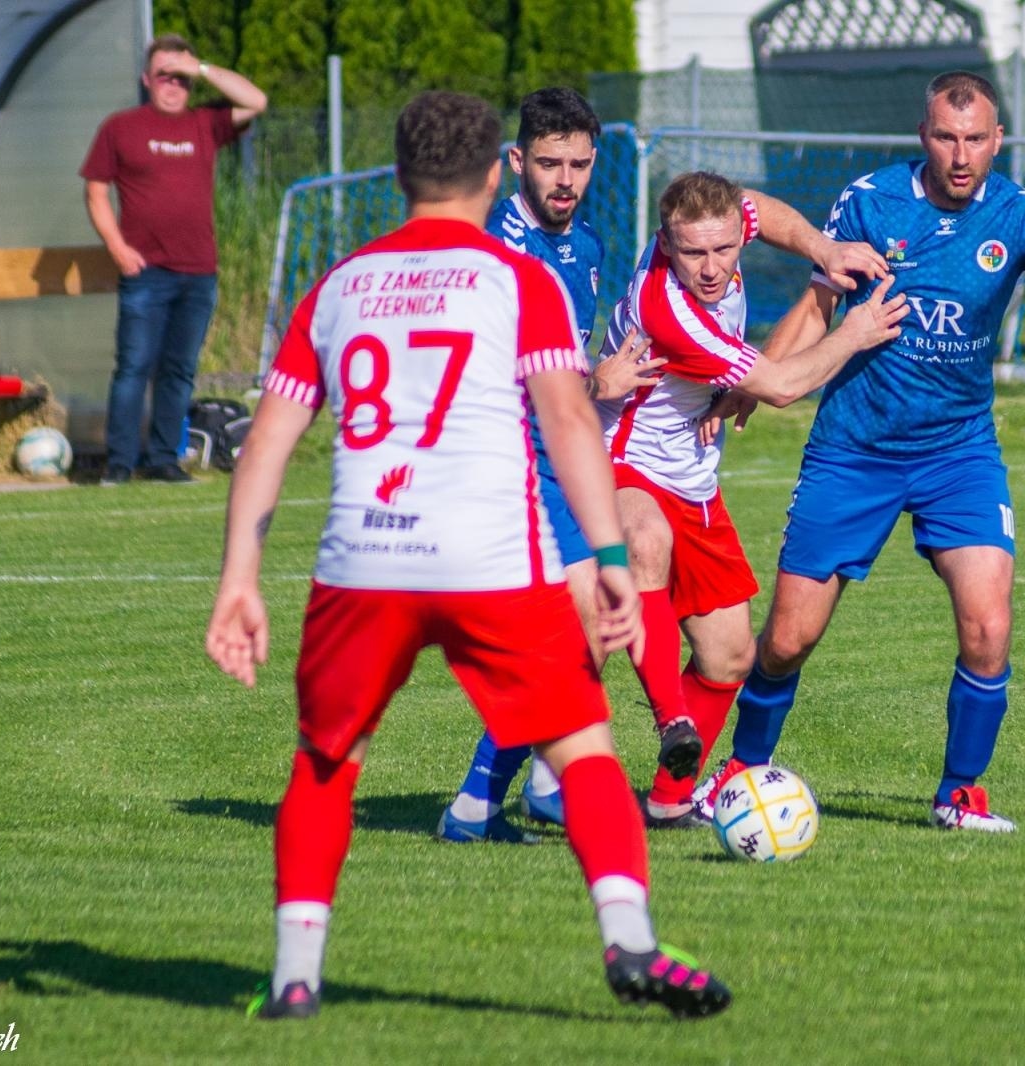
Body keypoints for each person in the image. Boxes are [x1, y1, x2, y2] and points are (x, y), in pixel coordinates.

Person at [205, 90, 731, 1021]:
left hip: (364, 562)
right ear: (498, 174)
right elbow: (569, 416)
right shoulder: (516, 280)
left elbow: (268, 441)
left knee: (327, 764)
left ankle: (293, 976)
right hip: (491, 560)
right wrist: (609, 548)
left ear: (400, 177)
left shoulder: (338, 285)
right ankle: (632, 943)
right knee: (585, 751)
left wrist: (239, 580)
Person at [693, 71, 1025, 832]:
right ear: (925, 136)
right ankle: (743, 770)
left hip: (959, 452)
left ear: (997, 141)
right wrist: (756, 384)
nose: (961, 155)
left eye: (976, 139)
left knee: (989, 627)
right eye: (946, 138)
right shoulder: (870, 202)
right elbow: (819, 305)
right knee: (787, 639)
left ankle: (958, 793)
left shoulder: (1021, 218)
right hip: (853, 448)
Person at [596, 170, 905, 827]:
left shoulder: (727, 225)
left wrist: (823, 249)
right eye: (692, 253)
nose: (711, 269)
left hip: (693, 478)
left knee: (730, 655)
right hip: (621, 461)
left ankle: (669, 802)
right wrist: (856, 331)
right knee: (644, 543)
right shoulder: (669, 312)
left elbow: (760, 207)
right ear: (664, 244)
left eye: (724, 249)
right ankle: (665, 718)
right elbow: (785, 387)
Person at [437, 86, 665, 845]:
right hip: (503, 464)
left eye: (577, 163)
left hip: (560, 460)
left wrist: (602, 378)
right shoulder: (493, 250)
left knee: (582, 621)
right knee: (564, 624)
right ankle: (479, 804)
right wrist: (592, 383)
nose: (564, 179)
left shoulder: (589, 247)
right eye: (547, 163)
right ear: (514, 162)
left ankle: (537, 785)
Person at [81, 34, 267, 485]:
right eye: (164, 75)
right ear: (147, 80)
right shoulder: (121, 127)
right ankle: (121, 462)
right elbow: (96, 189)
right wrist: (116, 245)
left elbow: (256, 100)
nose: (173, 84)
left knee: (179, 370)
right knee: (134, 367)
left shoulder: (206, 123)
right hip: (146, 274)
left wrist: (199, 68)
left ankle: (165, 459)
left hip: (198, 271)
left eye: (180, 78)